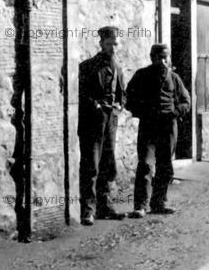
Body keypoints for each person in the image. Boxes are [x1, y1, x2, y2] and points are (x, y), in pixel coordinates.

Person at [126, 44, 190, 218]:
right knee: (145, 164)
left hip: (168, 127)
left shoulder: (174, 78)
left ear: (169, 58)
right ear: (152, 58)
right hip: (148, 126)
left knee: (165, 165)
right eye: (158, 57)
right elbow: (128, 98)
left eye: (165, 57)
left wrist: (175, 112)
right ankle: (140, 205)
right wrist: (142, 112)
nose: (162, 61)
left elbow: (186, 101)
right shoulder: (141, 76)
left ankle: (159, 203)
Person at [78, 26, 126, 226]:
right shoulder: (88, 66)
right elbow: (81, 93)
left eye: (115, 44)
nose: (112, 48)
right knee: (91, 166)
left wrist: (119, 106)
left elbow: (123, 93)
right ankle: (88, 210)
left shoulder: (118, 67)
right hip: (93, 122)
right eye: (108, 44)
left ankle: (105, 207)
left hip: (110, 122)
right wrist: (95, 105)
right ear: (101, 44)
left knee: (108, 164)